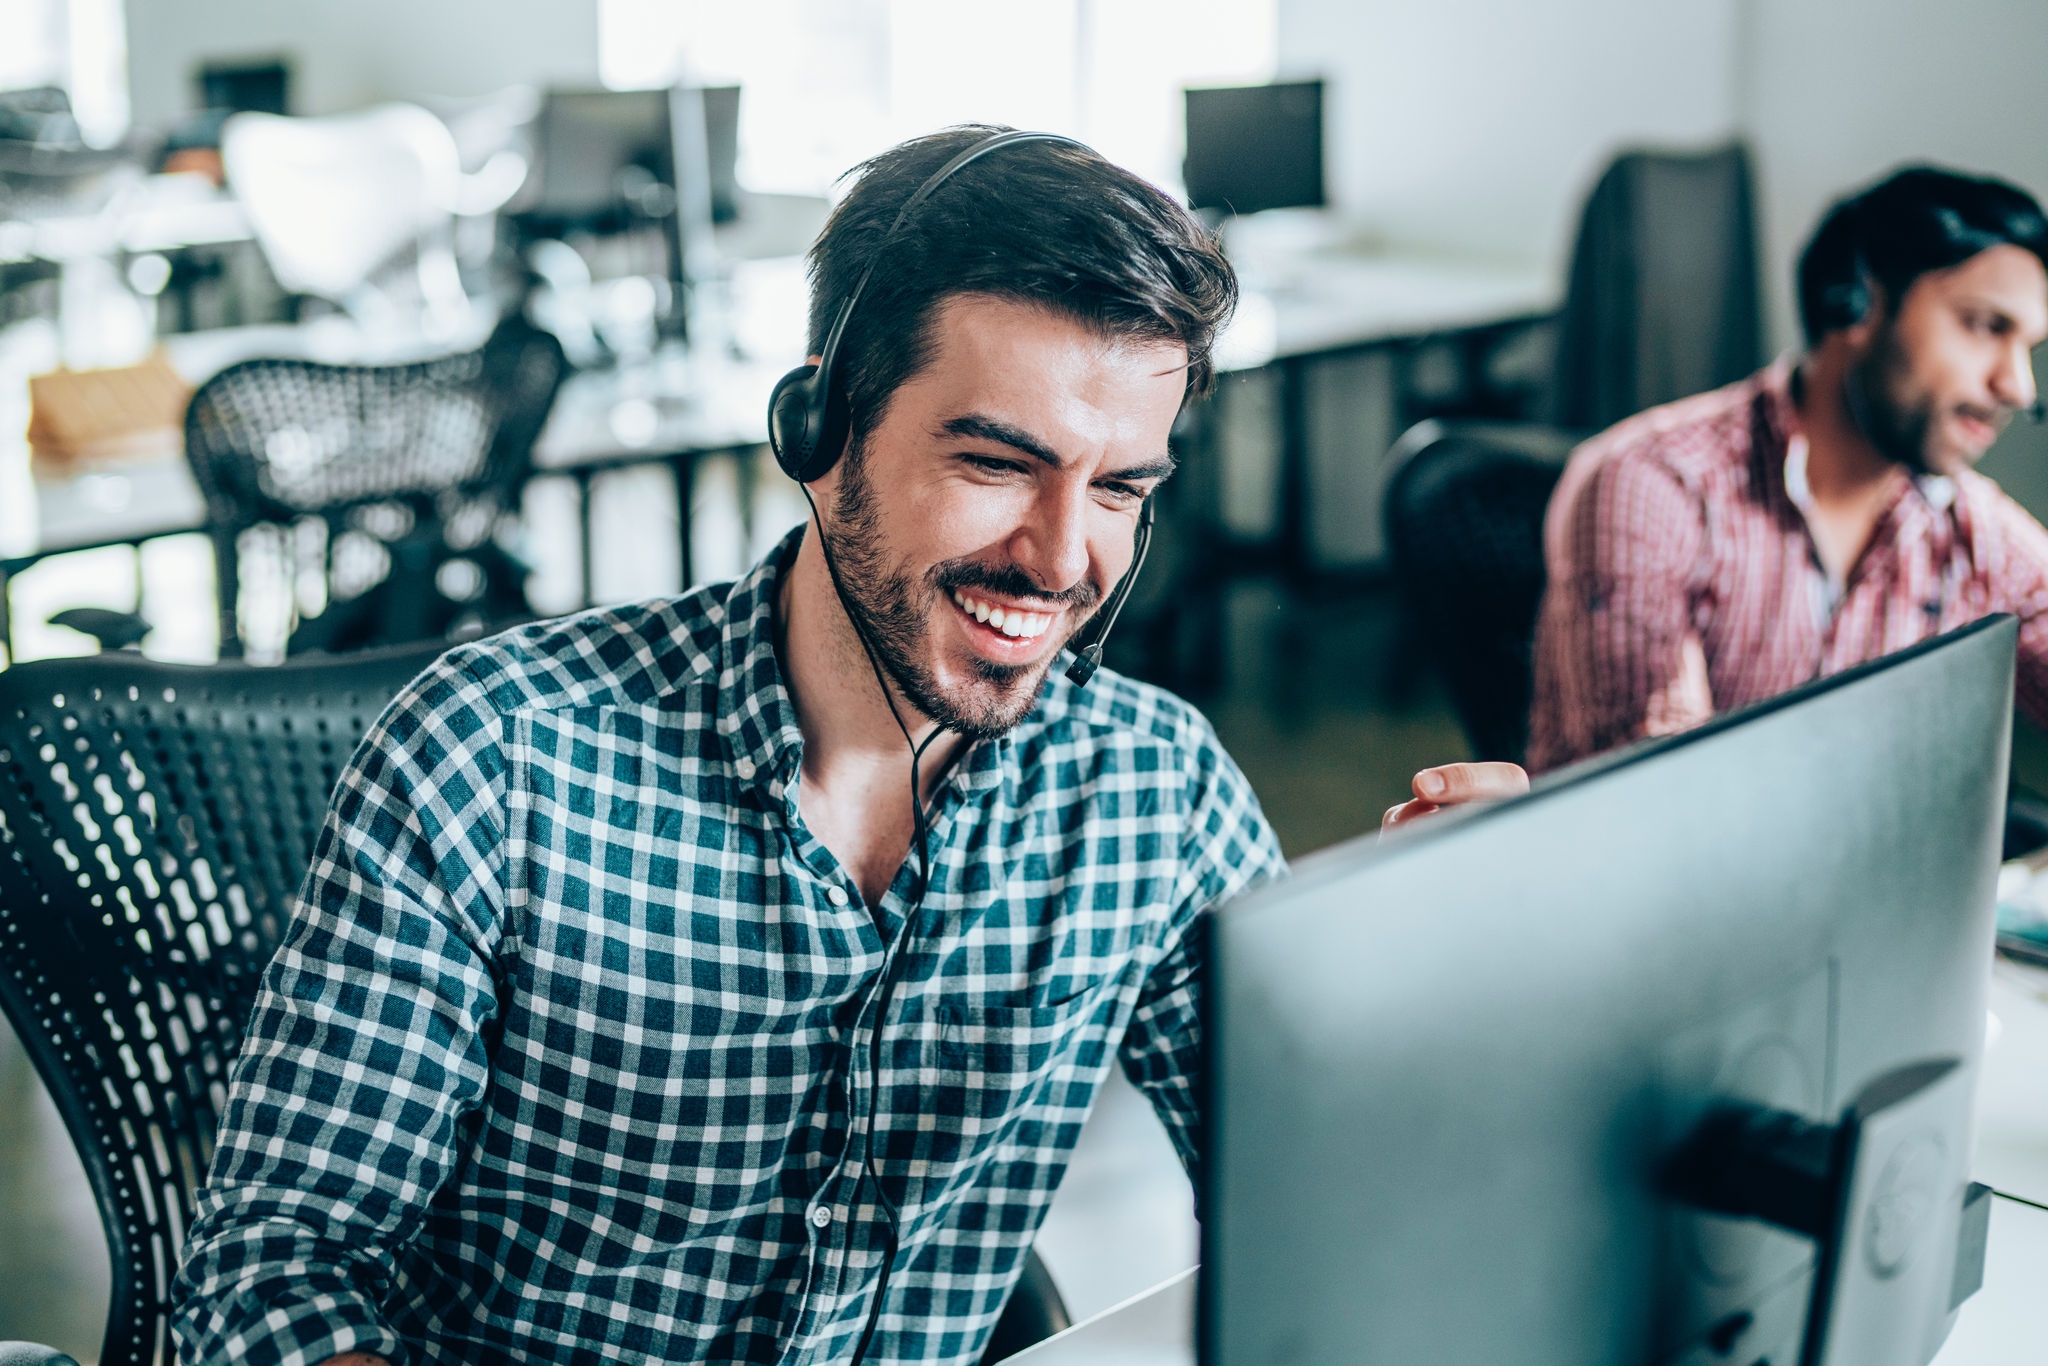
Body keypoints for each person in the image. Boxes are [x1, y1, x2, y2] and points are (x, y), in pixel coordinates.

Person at [171, 126, 1521, 1366]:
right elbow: (268, 1281)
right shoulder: (498, 762)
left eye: (1118, 488)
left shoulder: (1149, 791)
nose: (1063, 559)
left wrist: (1448, 968)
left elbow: (1330, 1188)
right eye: (997, 462)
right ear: (819, 433)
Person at [1528, 165, 2048, 773]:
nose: (2017, 386)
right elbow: (1655, 789)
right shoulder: (1655, 484)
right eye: (1987, 326)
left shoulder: (1969, 523)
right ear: (1856, 302)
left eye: (2030, 349)